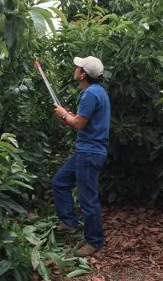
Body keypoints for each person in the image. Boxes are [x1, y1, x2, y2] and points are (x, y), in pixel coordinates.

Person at [53, 56, 110, 257]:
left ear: (83, 74)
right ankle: (69, 222)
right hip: (87, 151)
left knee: (88, 198)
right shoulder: (98, 91)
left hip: (89, 152)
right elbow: (78, 120)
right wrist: (67, 116)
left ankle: (95, 242)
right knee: (60, 181)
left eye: (78, 67)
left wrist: (63, 115)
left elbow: (78, 124)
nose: (75, 68)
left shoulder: (91, 94)